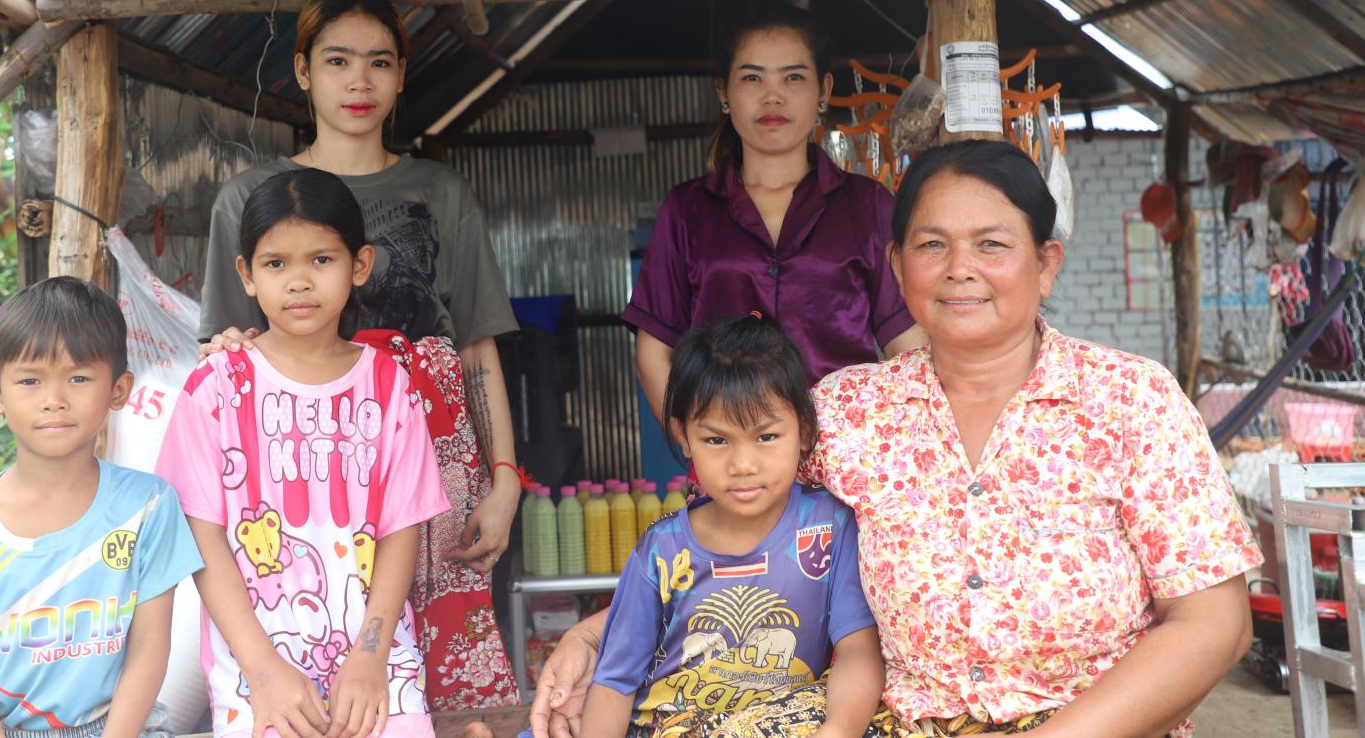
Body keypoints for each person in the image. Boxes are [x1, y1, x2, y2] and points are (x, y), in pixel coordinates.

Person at [535, 141, 1260, 738]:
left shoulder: (1131, 400)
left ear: (1046, 266)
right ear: (895, 268)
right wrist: (595, 638)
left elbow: (1215, 624)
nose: (959, 269)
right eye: (932, 244)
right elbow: (731, 533)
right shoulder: (846, 410)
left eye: (992, 244)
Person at [201, 0, 520, 706]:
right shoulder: (249, 198)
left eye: (379, 62)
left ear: (402, 75)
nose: (359, 81)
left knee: (446, 677)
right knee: (321, 650)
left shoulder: (439, 193)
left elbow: (474, 347)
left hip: (437, 459)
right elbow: (226, 345)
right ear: (304, 71)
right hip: (302, 466)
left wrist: (504, 479)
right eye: (339, 60)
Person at [160, 168, 449, 738]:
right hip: (258, 675)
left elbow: (400, 531)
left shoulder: (389, 384)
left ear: (359, 265)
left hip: (379, 667)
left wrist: (370, 659)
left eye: (321, 260)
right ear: (245, 274)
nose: (299, 281)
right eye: (276, 263)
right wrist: (264, 671)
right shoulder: (217, 387)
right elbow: (201, 536)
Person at [0, 277, 203, 738]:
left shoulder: (148, 507)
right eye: (30, 380)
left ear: (119, 390)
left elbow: (149, 649)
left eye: (78, 378)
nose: (54, 400)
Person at [622, 2, 925, 424]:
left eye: (794, 77)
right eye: (751, 77)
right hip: (732, 461)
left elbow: (908, 344)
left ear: (823, 91)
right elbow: (654, 349)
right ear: (723, 94)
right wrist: (696, 446)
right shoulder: (687, 210)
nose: (773, 96)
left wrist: (890, 447)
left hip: (847, 462)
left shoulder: (867, 205)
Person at [586, 315, 883, 738]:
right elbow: (614, 683)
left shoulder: (828, 527)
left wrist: (837, 730)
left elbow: (857, 649)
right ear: (683, 437)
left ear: (803, 429)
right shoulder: (661, 549)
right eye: (716, 440)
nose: (743, 465)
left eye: (766, 437)